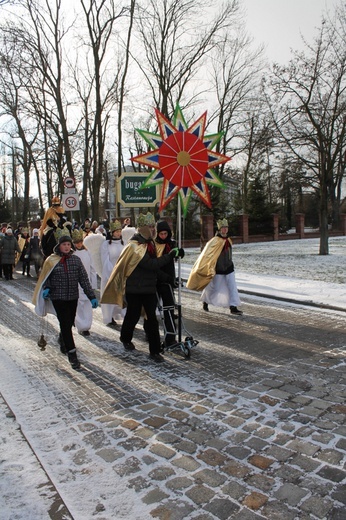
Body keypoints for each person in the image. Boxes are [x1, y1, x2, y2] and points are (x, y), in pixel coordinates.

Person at [101, 212, 184, 362]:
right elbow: (151, 264)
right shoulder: (135, 246)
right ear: (143, 228)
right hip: (135, 289)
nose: (153, 230)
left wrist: (167, 278)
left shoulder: (150, 244)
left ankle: (155, 351)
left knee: (151, 319)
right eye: (150, 227)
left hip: (149, 288)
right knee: (132, 315)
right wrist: (170, 256)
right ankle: (125, 337)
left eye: (153, 227)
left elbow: (155, 268)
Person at [32, 235, 98, 370]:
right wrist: (47, 288)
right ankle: (72, 354)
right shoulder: (52, 260)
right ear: (59, 246)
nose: (67, 247)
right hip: (58, 298)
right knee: (65, 324)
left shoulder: (76, 260)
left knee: (69, 322)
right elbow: (47, 277)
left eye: (68, 244)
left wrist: (92, 296)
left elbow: (84, 280)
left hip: (73, 297)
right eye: (64, 245)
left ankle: (63, 340)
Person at [187, 218, 243, 316]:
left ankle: (233, 307)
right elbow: (207, 255)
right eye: (223, 228)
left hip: (229, 268)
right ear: (219, 229)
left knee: (232, 287)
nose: (225, 230)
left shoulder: (229, 240)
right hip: (218, 269)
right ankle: (205, 300)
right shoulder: (214, 241)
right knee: (214, 288)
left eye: (226, 228)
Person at [152, 220, 181, 347]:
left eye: (165, 233)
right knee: (152, 309)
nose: (163, 236)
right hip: (155, 280)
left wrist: (180, 253)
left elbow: (176, 255)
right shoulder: (153, 245)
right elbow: (154, 265)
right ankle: (151, 334)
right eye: (161, 234)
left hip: (168, 281)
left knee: (169, 309)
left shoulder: (171, 244)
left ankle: (170, 337)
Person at [72, 229, 98, 337]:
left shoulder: (87, 252)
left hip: (86, 282)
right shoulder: (73, 254)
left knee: (87, 305)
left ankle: (86, 326)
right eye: (76, 242)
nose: (79, 244)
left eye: (80, 242)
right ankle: (80, 325)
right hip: (76, 284)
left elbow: (92, 268)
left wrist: (93, 284)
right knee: (79, 305)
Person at [100, 220, 125, 328]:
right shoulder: (106, 244)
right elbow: (105, 260)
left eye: (120, 231)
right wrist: (112, 273)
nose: (118, 233)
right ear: (112, 232)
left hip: (122, 273)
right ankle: (109, 317)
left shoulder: (124, 243)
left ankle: (123, 314)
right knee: (111, 295)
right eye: (116, 231)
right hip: (110, 273)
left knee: (122, 295)